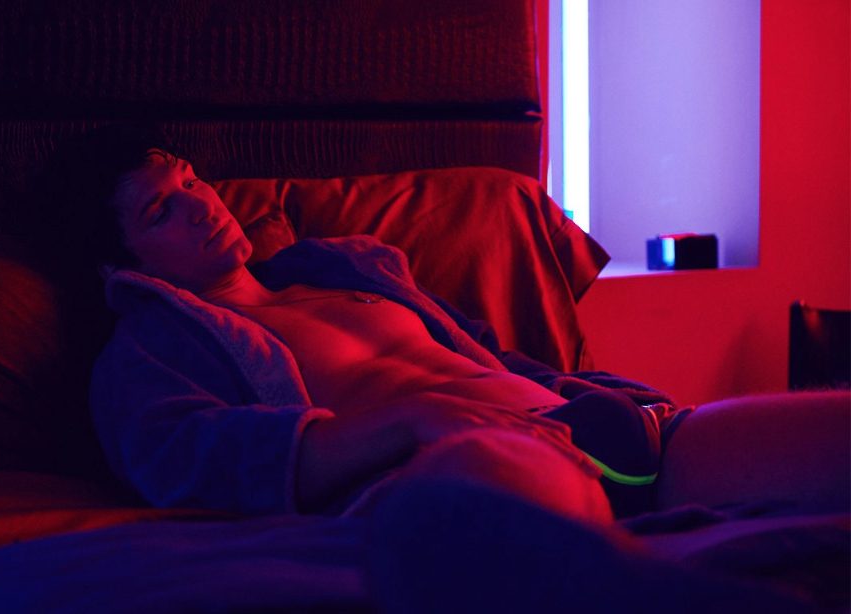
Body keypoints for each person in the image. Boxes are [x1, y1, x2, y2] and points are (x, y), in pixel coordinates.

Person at [43, 124, 847, 608]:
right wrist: (410, 420)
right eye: (162, 209)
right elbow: (189, 458)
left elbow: (491, 355)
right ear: (120, 265)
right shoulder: (148, 352)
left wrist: (619, 401)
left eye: (190, 179)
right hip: (483, 457)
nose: (200, 204)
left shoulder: (345, 271)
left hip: (615, 431)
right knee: (505, 532)